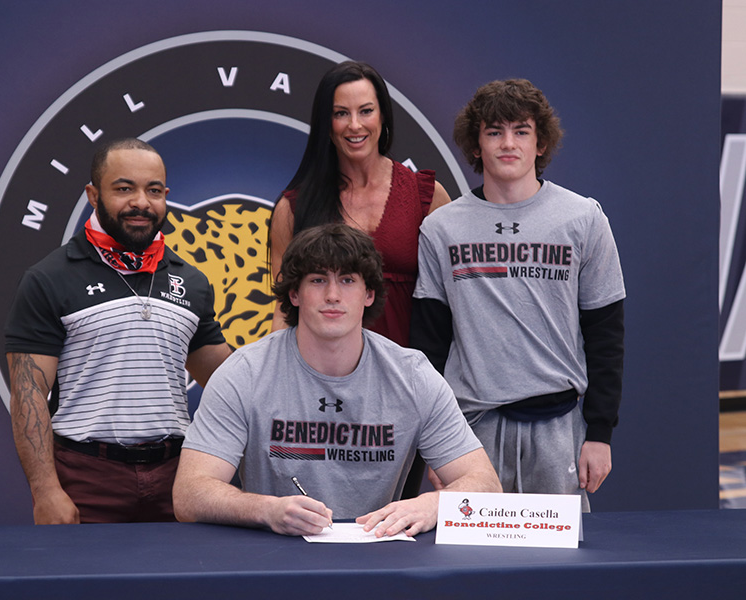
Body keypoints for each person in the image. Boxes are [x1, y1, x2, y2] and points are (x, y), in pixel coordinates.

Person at [173, 223, 500, 537]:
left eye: (347, 280)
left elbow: (485, 482)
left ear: (368, 294)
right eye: (317, 280)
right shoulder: (243, 373)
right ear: (295, 294)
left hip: (378, 561)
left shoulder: (412, 375)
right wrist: (267, 511)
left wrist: (433, 505)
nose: (332, 295)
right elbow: (189, 494)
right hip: (273, 561)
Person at [411, 79, 625, 511]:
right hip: (469, 433)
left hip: (558, 430)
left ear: (541, 142)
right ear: (475, 146)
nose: (508, 143)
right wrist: (434, 443)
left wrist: (599, 433)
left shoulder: (583, 218)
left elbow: (606, 335)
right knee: (468, 569)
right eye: (494, 132)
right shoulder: (441, 228)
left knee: (557, 572)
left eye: (521, 131)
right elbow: (428, 349)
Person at [5, 138, 231, 524]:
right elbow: (28, 395)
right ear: (93, 195)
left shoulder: (191, 282)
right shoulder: (49, 278)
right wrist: (45, 491)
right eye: (124, 188)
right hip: (88, 479)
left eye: (154, 190)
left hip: (177, 476)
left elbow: (229, 380)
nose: (141, 202)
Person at [269, 60, 452, 497]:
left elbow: (454, 307)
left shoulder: (429, 196)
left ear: (383, 116)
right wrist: (276, 393)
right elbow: (282, 308)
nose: (355, 125)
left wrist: (449, 410)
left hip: (408, 388)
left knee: (399, 520)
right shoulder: (293, 207)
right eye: (340, 113)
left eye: (366, 111)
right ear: (325, 123)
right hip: (320, 389)